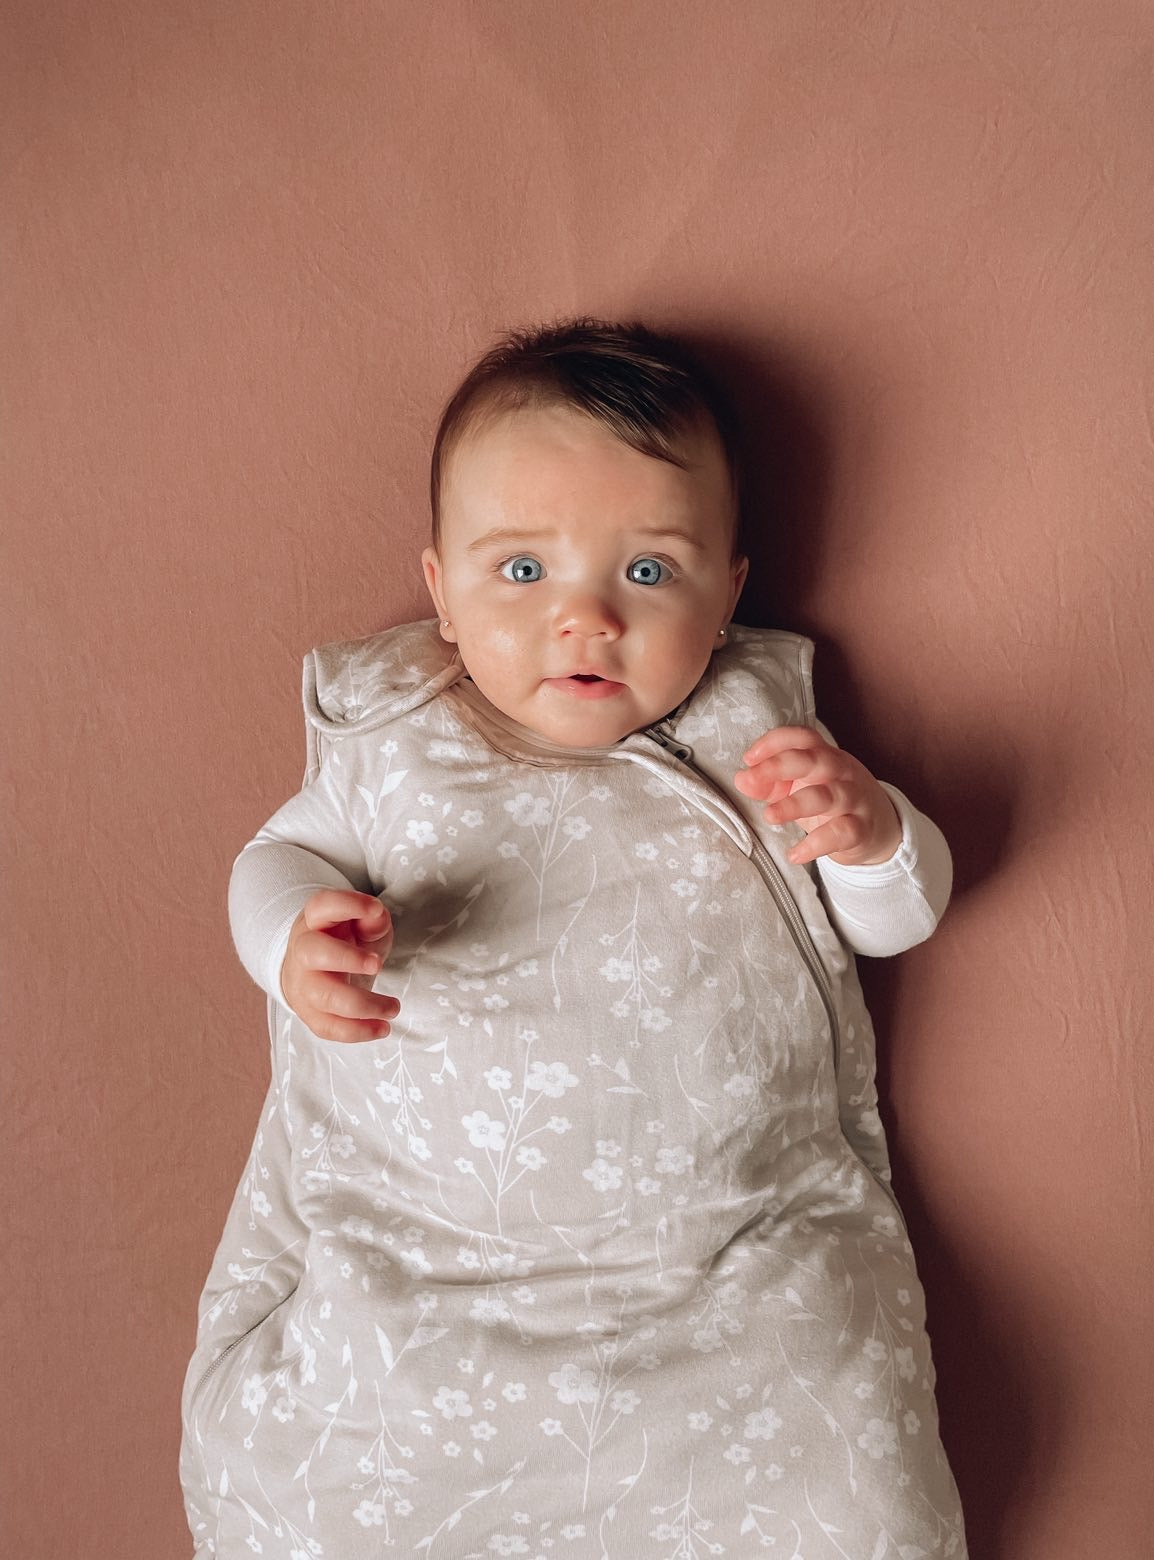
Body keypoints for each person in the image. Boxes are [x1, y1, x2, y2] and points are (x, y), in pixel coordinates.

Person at [180, 319, 967, 1557]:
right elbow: (268, 861)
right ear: (439, 588)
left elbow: (896, 921)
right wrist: (291, 936)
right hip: (432, 1268)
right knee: (318, 1477)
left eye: (648, 573)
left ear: (729, 591)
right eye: (522, 572)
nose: (585, 619)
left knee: (853, 1486)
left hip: (729, 1272)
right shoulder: (394, 743)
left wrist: (870, 837)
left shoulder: (771, 755)